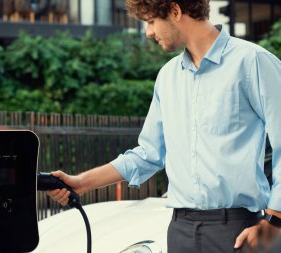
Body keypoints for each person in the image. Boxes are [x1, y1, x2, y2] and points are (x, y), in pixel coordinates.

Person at [47, 1, 281, 252]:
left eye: (150, 21)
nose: (148, 32)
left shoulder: (253, 62)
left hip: (238, 231)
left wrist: (275, 221)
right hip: (179, 231)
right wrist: (82, 182)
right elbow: (148, 154)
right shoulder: (167, 77)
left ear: (175, 11)